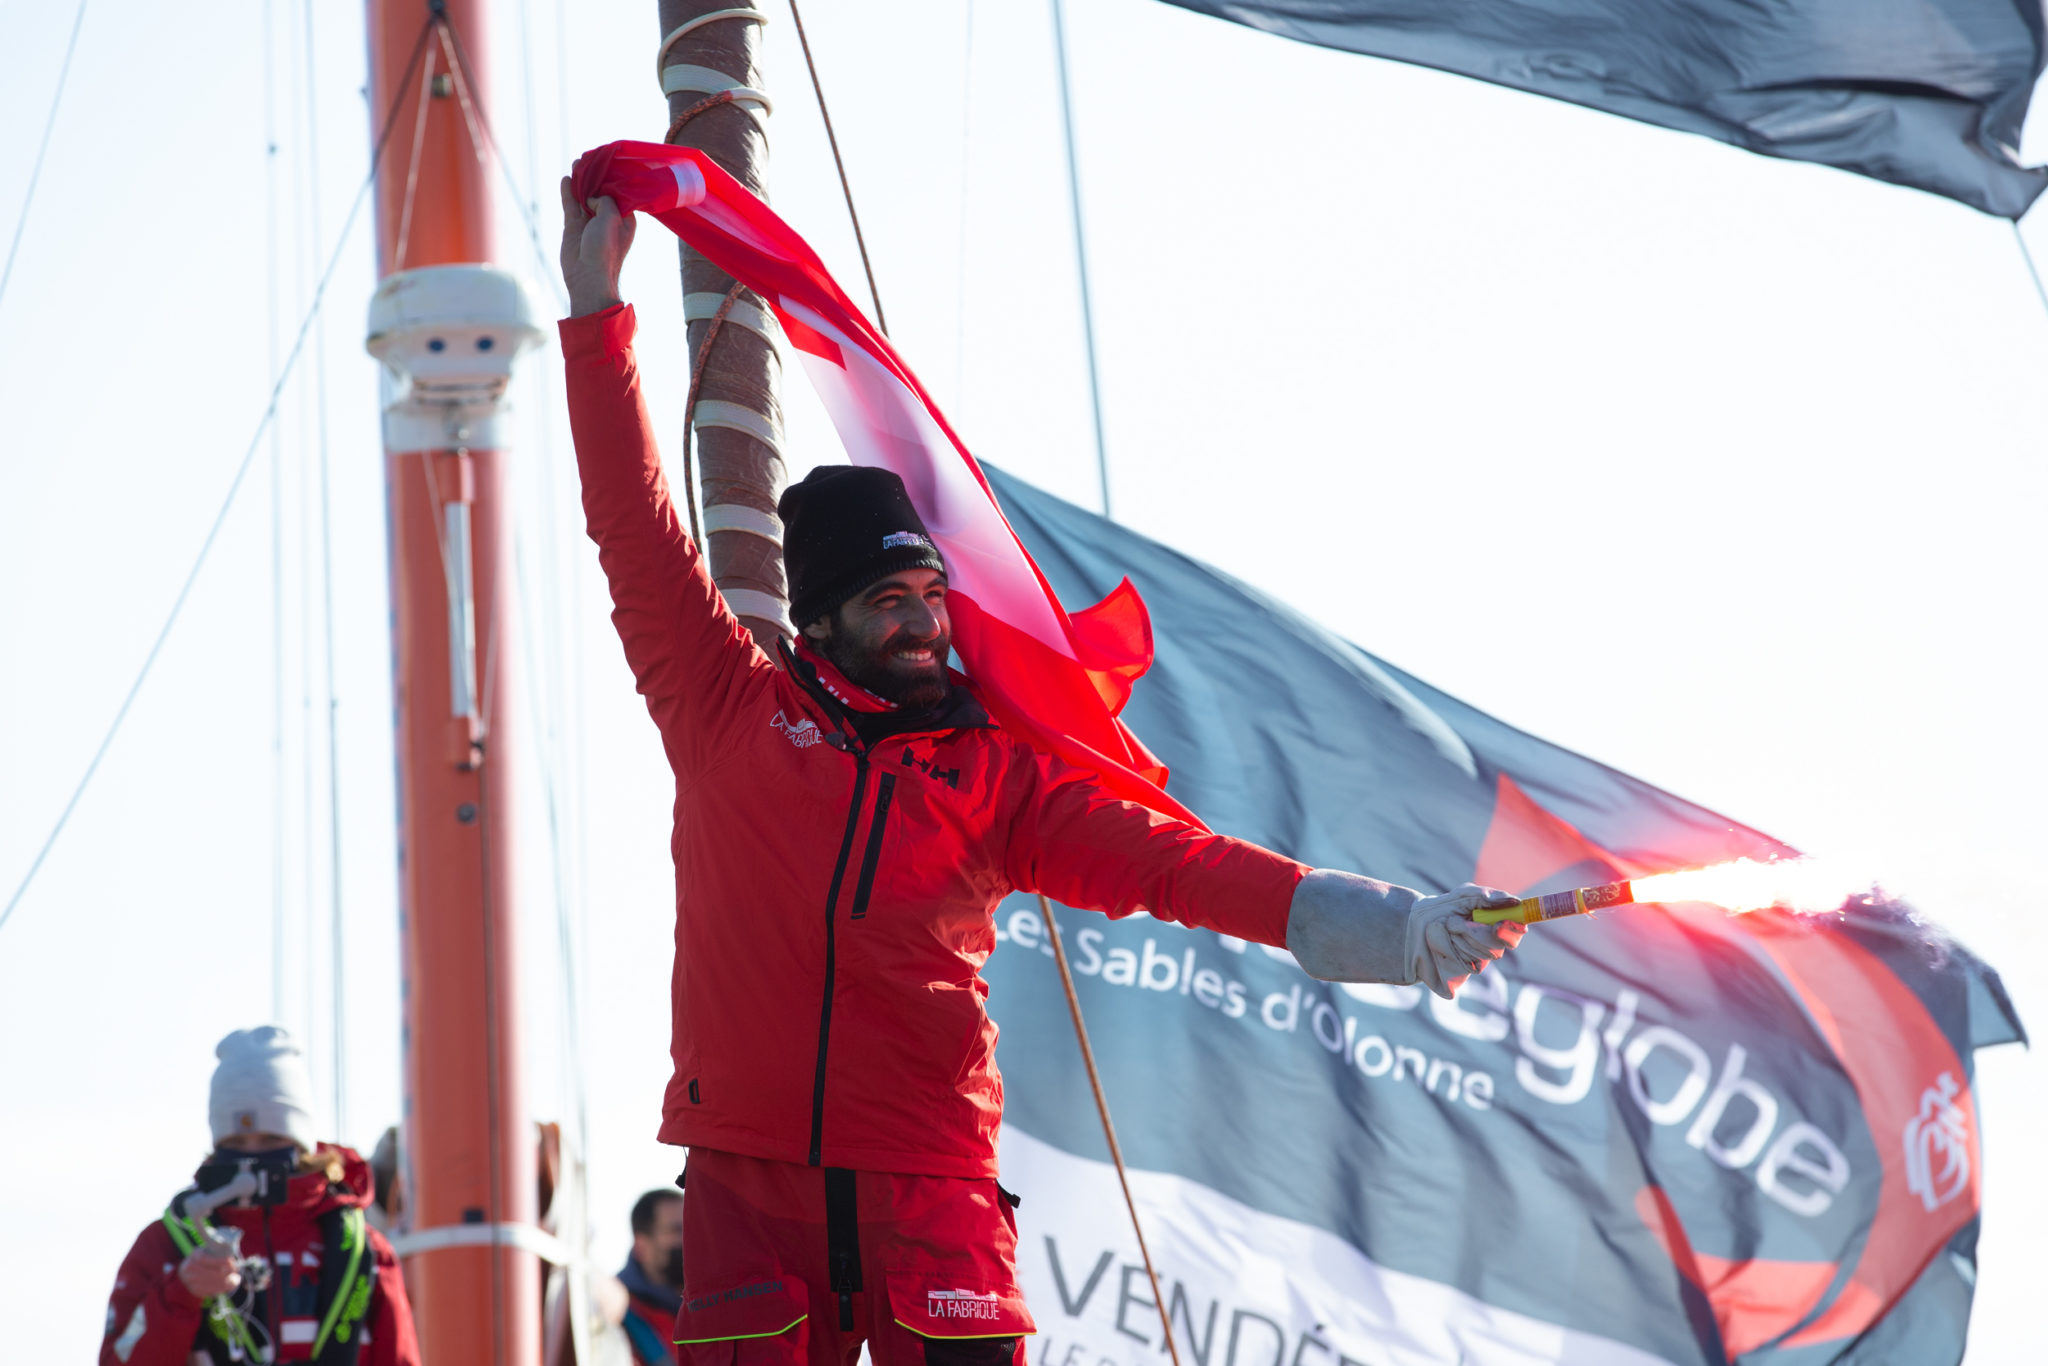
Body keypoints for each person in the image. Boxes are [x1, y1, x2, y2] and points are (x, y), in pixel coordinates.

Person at [556, 179, 1526, 1366]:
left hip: (931, 1186)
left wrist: (1380, 924)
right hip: (749, 1187)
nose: (922, 624)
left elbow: (1176, 865)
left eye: (929, 596)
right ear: (817, 621)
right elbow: (631, 525)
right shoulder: (724, 709)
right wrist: (594, 312)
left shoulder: (995, 780)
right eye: (886, 601)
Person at [101, 1026, 420, 1366]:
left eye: (271, 1139)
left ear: (301, 1145)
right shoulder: (163, 1248)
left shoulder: (365, 1254)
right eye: (235, 1142)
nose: (252, 1157)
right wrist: (181, 1293)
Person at [618, 1190, 687, 1365]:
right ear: (642, 1245)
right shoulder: (614, 1315)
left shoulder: (714, 1308)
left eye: (694, 1226)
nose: (690, 1238)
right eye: (677, 1230)